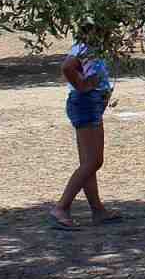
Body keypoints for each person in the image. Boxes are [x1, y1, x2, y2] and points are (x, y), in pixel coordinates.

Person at [51, 24, 120, 230]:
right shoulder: (85, 47)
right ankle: (61, 207)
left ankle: (97, 210)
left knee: (88, 162)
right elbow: (67, 67)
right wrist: (84, 86)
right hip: (86, 103)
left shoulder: (90, 47)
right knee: (94, 161)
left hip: (89, 103)